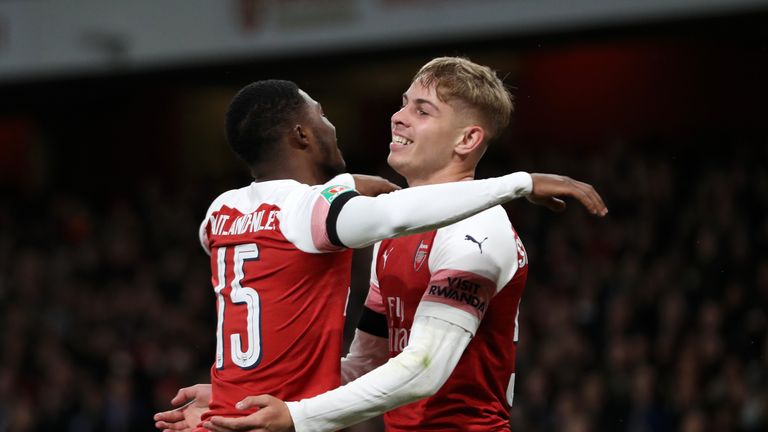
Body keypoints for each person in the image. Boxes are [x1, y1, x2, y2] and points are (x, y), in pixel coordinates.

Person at [155, 76, 606, 432]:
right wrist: (242, 394)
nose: (397, 117)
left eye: (421, 110)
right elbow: (367, 364)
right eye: (403, 102)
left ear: (466, 140)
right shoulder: (386, 235)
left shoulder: (476, 226)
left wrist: (298, 417)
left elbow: (422, 370)